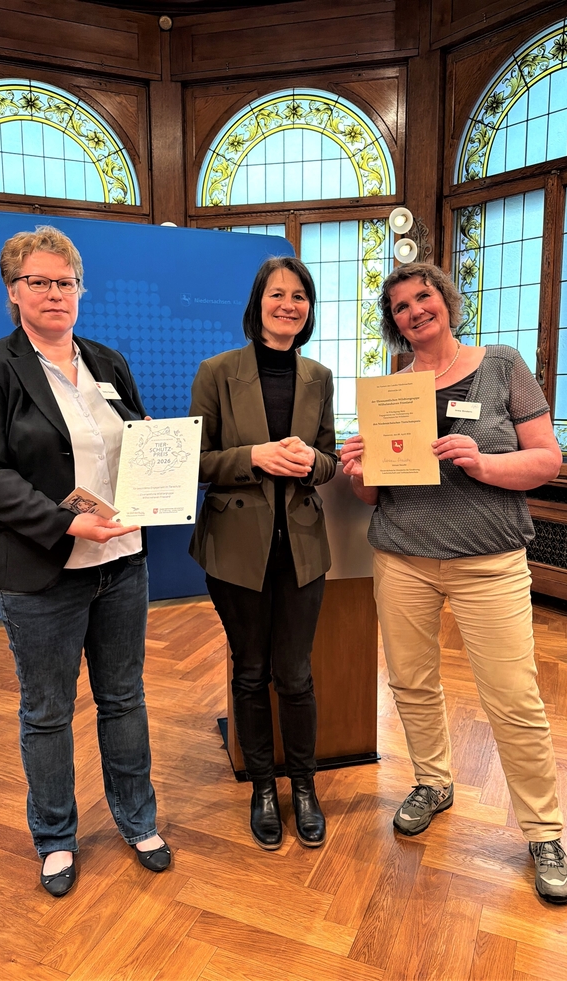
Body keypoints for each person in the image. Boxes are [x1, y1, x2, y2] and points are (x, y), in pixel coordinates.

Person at [340, 262, 567, 904]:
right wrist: (357, 468)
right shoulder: (392, 388)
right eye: (401, 307)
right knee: (412, 683)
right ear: (392, 323)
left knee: (513, 697)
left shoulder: (501, 364)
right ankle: (432, 782)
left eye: (424, 298)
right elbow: (370, 497)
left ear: (447, 300)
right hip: (403, 556)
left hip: (489, 560)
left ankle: (544, 832)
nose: (415, 312)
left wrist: (483, 461)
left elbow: (547, 459)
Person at [0, 226, 170, 897]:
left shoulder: (107, 359)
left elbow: (136, 438)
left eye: (65, 281)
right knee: (48, 710)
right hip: (41, 571)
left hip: (122, 565)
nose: (55, 293)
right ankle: (54, 834)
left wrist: (159, 478)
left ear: (80, 289)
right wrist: (64, 520)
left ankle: (137, 818)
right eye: (39, 282)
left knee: (124, 697)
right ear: (13, 292)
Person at [189, 256, 337, 850]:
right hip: (235, 551)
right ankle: (260, 786)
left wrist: (311, 463)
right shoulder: (217, 371)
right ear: (257, 305)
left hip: (302, 549)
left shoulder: (320, 375)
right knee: (250, 673)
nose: (289, 305)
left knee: (295, 675)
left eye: (299, 296)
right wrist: (254, 456)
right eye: (277, 294)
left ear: (309, 308)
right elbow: (195, 464)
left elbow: (326, 459)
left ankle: (304, 787)